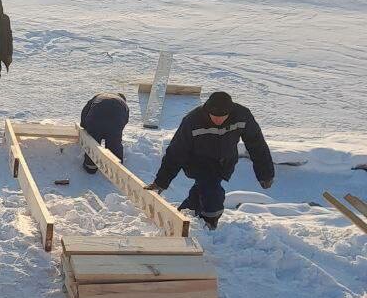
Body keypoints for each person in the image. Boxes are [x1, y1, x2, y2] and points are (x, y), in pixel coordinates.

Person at [147, 90, 274, 229]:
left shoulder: (242, 116)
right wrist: (161, 181)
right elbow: (176, 152)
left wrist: (265, 173)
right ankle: (209, 223)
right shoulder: (192, 120)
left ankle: (184, 214)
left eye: (223, 117)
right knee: (211, 192)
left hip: (225, 162)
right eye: (214, 116)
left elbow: (257, 144)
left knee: (202, 191)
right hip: (197, 162)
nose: (218, 121)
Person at [80, 92, 129, 174]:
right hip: (116, 120)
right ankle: (116, 170)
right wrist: (116, 131)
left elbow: (85, 110)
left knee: (93, 142)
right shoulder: (123, 104)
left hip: (96, 116)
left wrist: (84, 125)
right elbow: (125, 120)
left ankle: (90, 167)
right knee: (114, 143)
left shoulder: (99, 96)